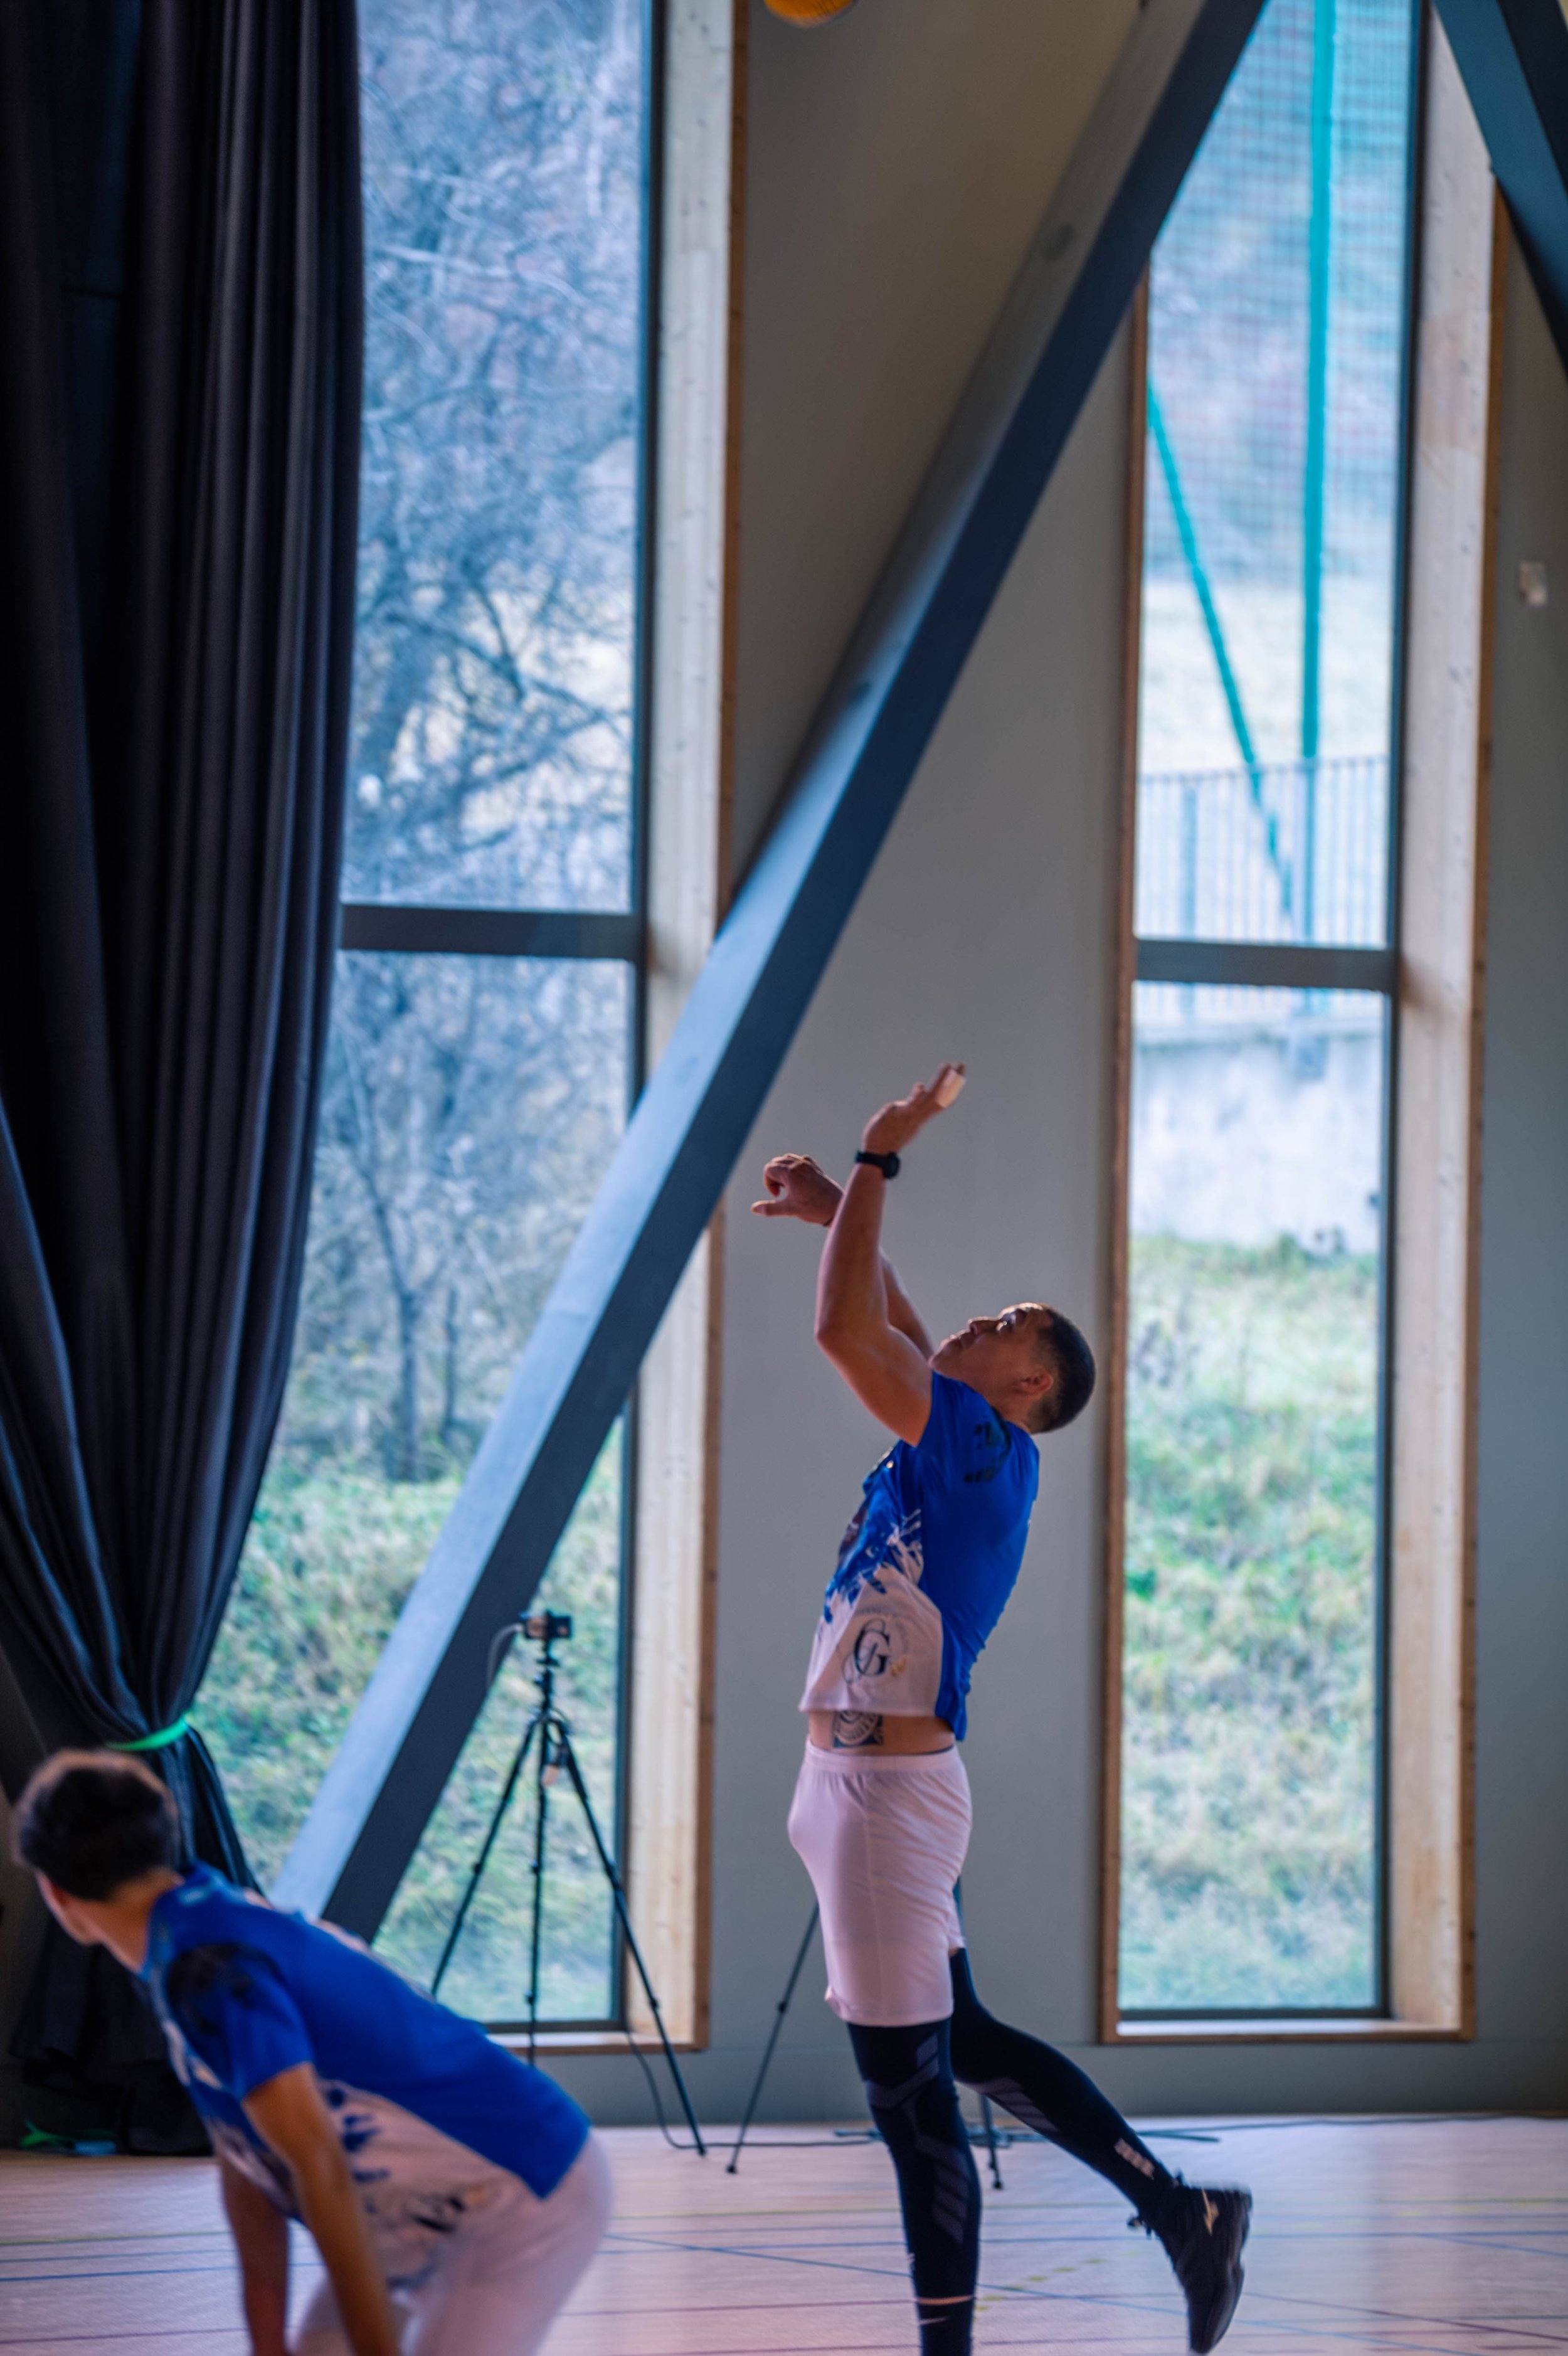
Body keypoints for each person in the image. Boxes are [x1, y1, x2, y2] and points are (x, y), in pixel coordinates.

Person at [753, 1063, 1251, 2356]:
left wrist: (873, 1161)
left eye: (999, 1326)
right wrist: (836, 1220)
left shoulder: (983, 1451)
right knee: (960, 2040)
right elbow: (903, 1339)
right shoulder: (963, 1434)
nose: (967, 1327)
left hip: (881, 1802)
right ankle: (1181, 2213)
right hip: (852, 1791)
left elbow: (846, 1336)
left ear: (1025, 1389)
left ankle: (968, 2341)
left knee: (912, 2107)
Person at [13, 1750, 610, 2356]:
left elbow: (319, 2166)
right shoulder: (193, 1929)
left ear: (54, 1891)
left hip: (520, 2186)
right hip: (424, 2211)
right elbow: (249, 2172)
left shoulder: (210, 1970)